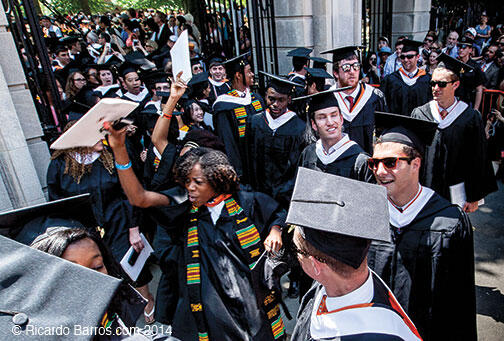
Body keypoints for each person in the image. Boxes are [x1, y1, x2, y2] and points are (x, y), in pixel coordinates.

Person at [105, 123, 288, 340]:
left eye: (198, 182)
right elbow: (140, 198)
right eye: (187, 181)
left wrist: (275, 231)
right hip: (211, 307)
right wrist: (119, 150)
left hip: (250, 302)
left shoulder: (247, 203)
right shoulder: (185, 208)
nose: (190, 188)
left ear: (217, 179)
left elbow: (277, 215)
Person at [367, 112, 477, 341]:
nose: (379, 171)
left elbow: (460, 300)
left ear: (415, 163)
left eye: (390, 163)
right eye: (374, 163)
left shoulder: (448, 222)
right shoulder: (367, 215)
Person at [289, 167, 422, 341]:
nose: (297, 258)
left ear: (316, 265)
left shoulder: (378, 334)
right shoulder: (335, 286)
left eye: (298, 251)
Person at [46, 122, 155, 324]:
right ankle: (113, 313)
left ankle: (147, 301)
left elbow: (127, 193)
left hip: (118, 221)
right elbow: (57, 204)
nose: (103, 138)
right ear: (81, 137)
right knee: (100, 271)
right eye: (97, 135)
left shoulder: (110, 158)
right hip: (84, 230)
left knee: (133, 265)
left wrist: (134, 228)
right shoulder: (60, 166)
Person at [411, 53, 497, 212]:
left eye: (442, 84)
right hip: (424, 186)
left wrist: (474, 197)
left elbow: (478, 159)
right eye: (433, 83)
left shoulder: (469, 117)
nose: (436, 89)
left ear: (455, 85)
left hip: (456, 189)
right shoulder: (420, 114)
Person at [248, 72, 306, 208]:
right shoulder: (255, 122)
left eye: (281, 100)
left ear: (289, 100)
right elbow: (249, 158)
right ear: (265, 97)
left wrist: (284, 192)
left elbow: (297, 166)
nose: (275, 104)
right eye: (271, 99)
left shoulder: (298, 128)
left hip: (284, 197)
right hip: (258, 193)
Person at [296, 89, 375, 183]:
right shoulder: (308, 154)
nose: (330, 122)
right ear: (314, 124)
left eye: (333, 115)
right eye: (322, 117)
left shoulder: (360, 161)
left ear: (341, 119)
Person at [322, 45, 388, 153]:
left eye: (356, 66)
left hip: (369, 164)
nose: (352, 71)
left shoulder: (375, 97)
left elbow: (384, 135)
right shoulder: (327, 100)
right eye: (346, 68)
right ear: (335, 73)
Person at [212, 53, 265, 186]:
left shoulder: (256, 99)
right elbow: (228, 141)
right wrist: (237, 171)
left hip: (261, 161)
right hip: (243, 162)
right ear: (238, 75)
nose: (252, 74)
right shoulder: (224, 106)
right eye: (249, 72)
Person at [382, 39, 432, 116]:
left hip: (419, 125)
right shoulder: (391, 80)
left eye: (410, 57)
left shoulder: (427, 79)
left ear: (417, 57)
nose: (405, 60)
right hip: (396, 126)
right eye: (402, 57)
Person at [456, 36, 486, 110]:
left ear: (470, 50)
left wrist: (475, 109)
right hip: (455, 101)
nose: (461, 50)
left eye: (464, 48)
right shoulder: (455, 64)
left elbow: (479, 89)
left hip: (468, 101)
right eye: (459, 47)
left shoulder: (475, 67)